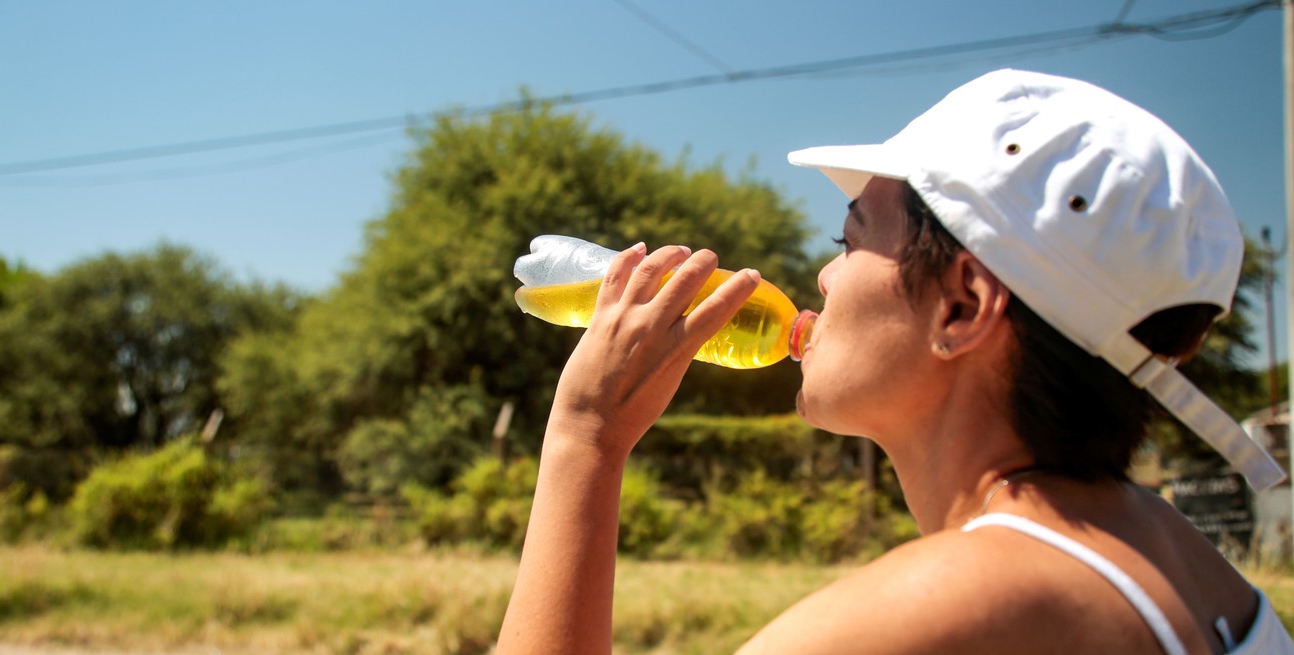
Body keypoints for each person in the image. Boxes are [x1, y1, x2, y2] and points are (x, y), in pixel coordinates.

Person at [495, 69, 1294, 654]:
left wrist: (585, 437)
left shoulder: (930, 616)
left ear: (962, 305)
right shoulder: (1188, 561)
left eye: (850, 239)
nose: (824, 276)